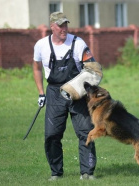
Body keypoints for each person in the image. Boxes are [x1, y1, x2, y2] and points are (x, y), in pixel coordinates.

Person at [33, 11, 97, 181]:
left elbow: (92, 69)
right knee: (52, 135)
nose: (64, 28)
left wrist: (82, 90)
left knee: (86, 133)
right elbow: (37, 68)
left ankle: (87, 173)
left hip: (77, 93)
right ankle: (56, 173)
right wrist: (41, 92)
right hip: (54, 93)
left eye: (66, 24)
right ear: (52, 27)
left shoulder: (78, 43)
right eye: (60, 25)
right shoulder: (41, 45)